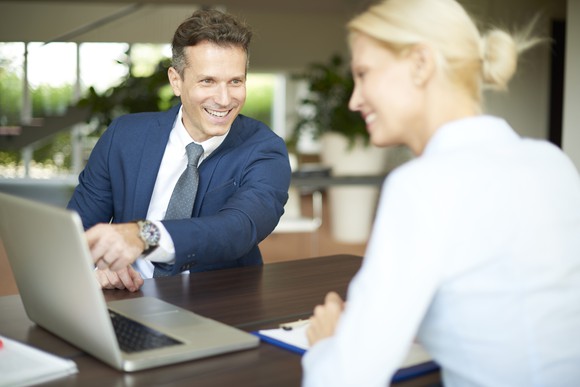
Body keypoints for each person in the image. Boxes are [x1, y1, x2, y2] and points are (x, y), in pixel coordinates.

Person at [302, 0, 580, 386]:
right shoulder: (552, 163)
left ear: (421, 63)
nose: (354, 99)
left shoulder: (422, 185)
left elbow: (343, 379)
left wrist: (328, 344)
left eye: (364, 74)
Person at [67, 9, 291, 292]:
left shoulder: (265, 150)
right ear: (176, 81)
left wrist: (144, 235)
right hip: (127, 298)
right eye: (207, 81)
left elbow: (238, 228)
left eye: (235, 81)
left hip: (220, 310)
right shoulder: (124, 137)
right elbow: (78, 230)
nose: (224, 99)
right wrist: (96, 267)